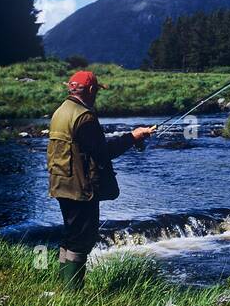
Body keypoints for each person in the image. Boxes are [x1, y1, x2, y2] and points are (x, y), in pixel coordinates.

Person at [46, 70, 155, 289]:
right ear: (90, 90)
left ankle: (64, 287)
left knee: (71, 235)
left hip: (61, 182)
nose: (96, 95)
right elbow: (103, 152)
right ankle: (72, 293)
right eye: (95, 90)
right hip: (79, 187)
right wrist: (133, 137)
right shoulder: (84, 117)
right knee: (82, 239)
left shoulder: (61, 110)